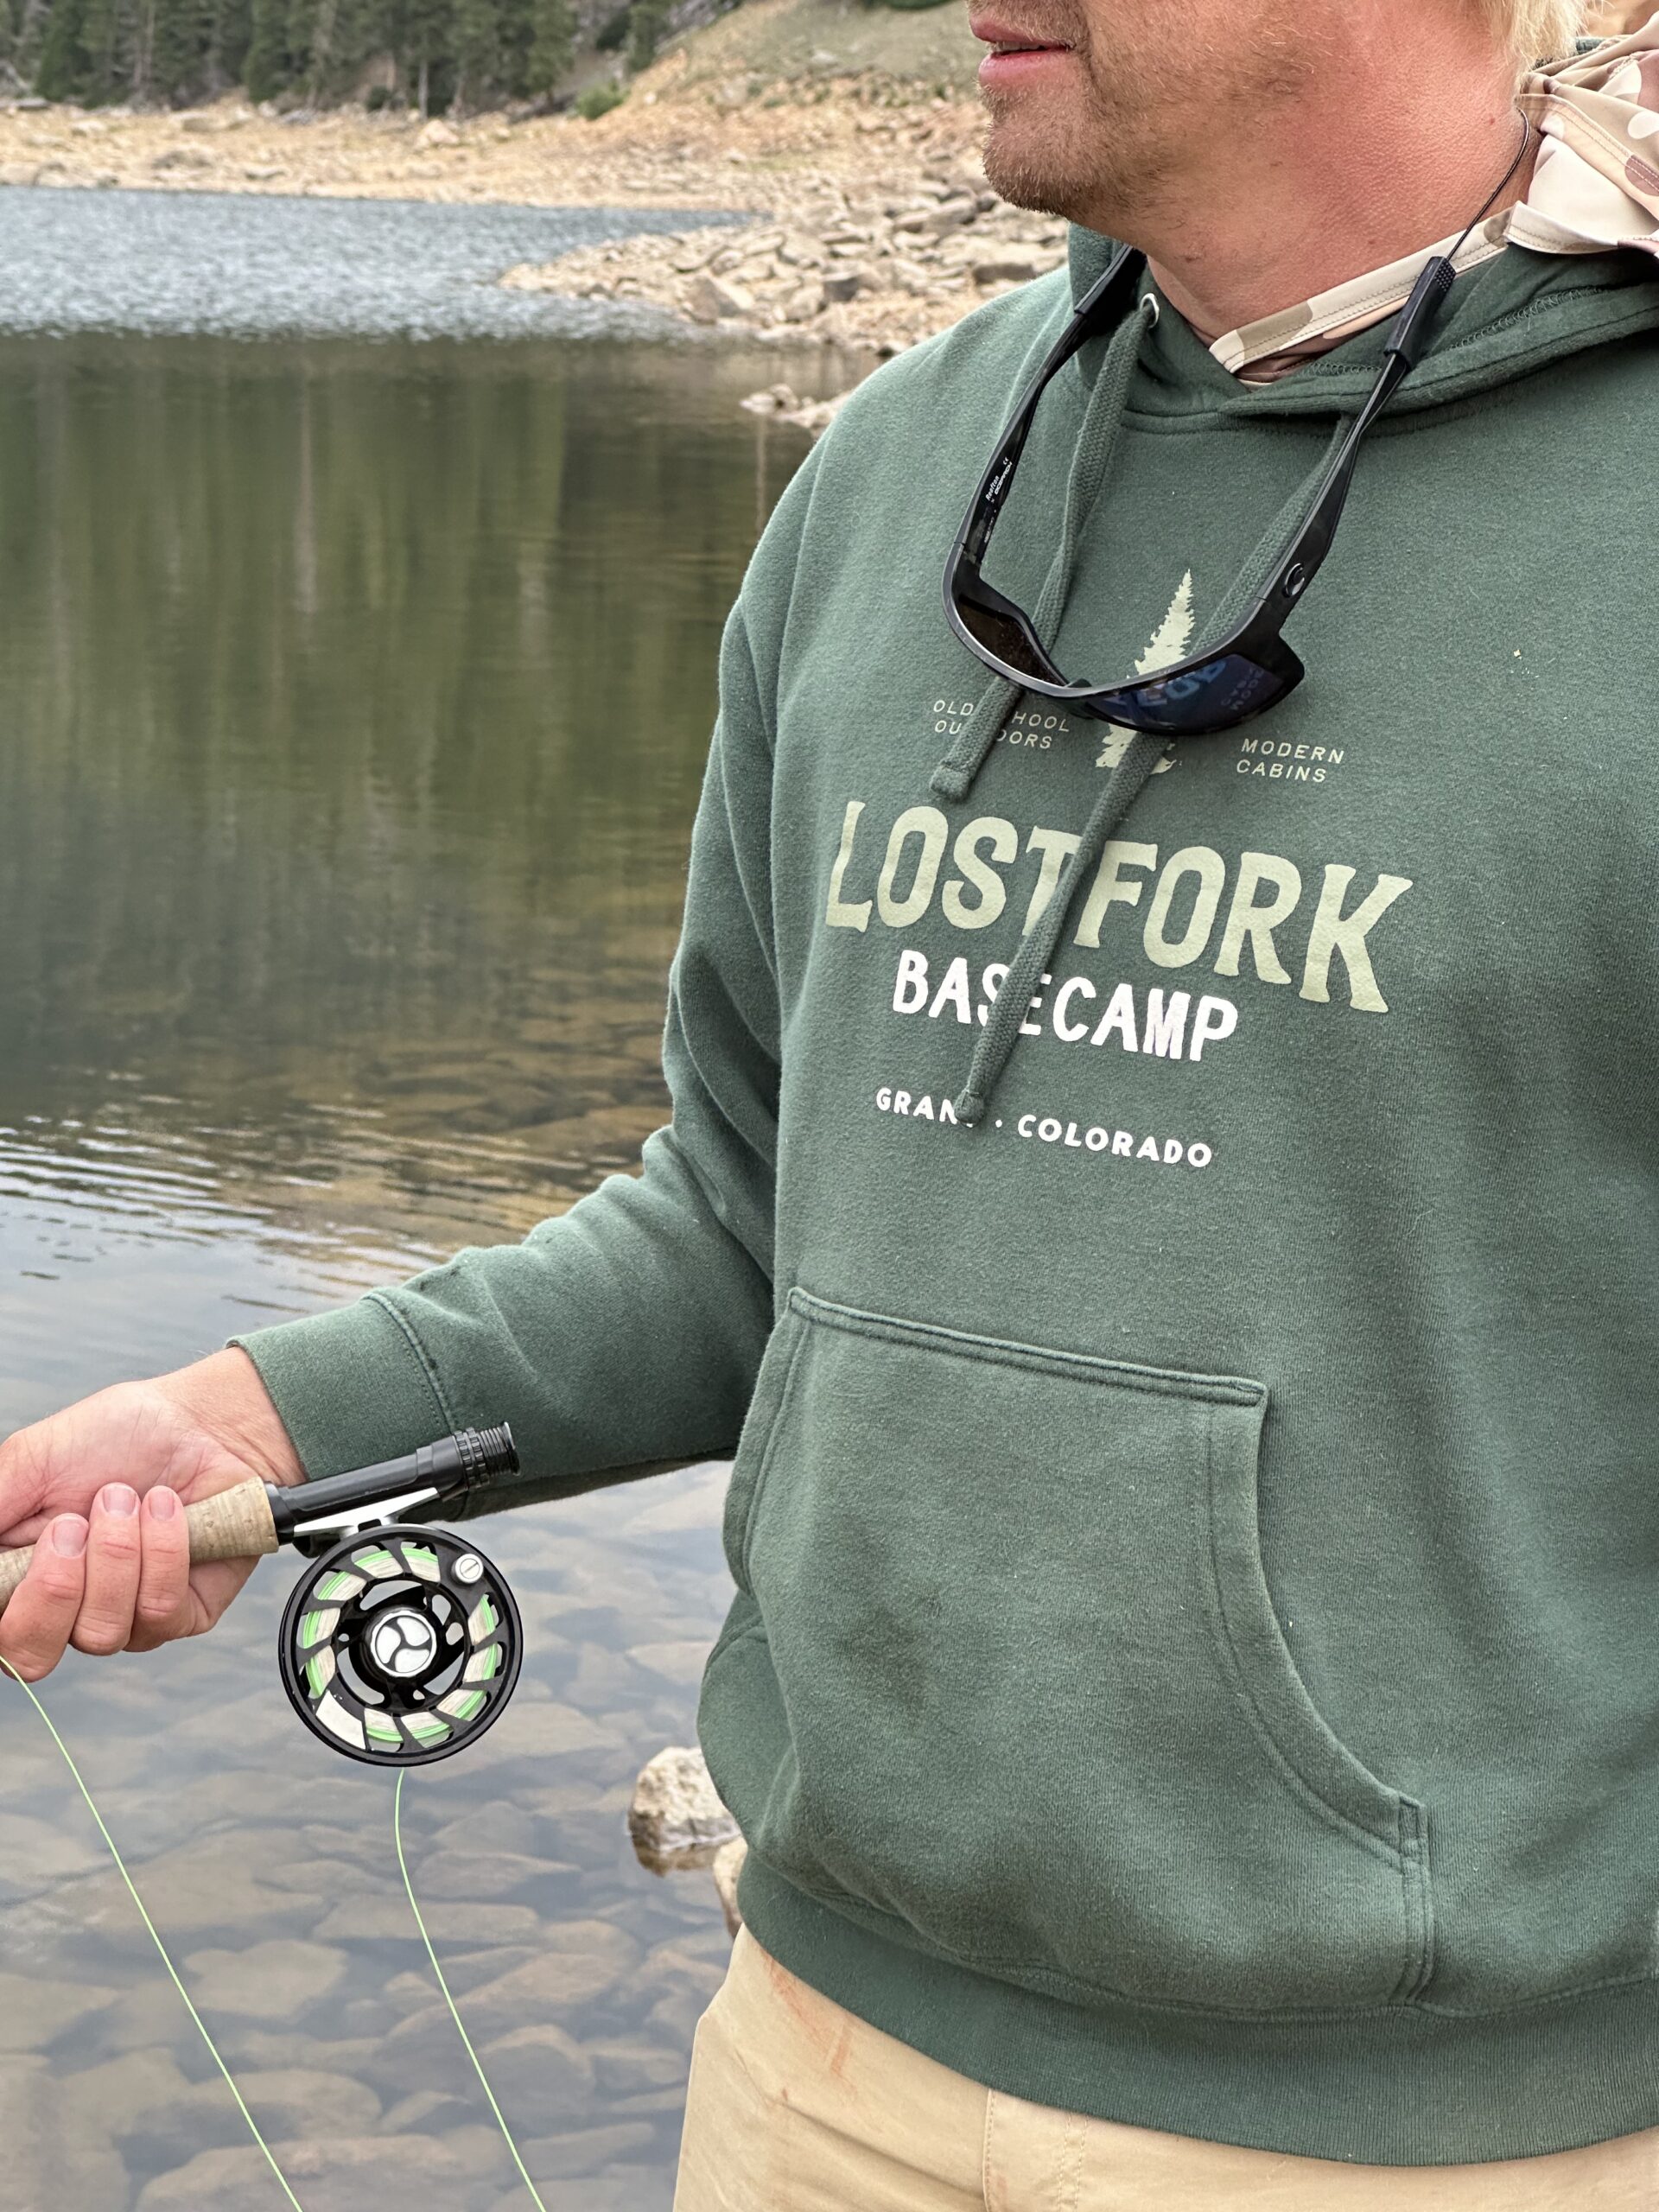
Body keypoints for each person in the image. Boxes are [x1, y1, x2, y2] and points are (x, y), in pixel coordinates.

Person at [6, 0, 1659, 2202]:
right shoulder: (896, 474)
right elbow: (749, 1211)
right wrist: (261, 1425)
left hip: (1450, 2142)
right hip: (810, 2057)